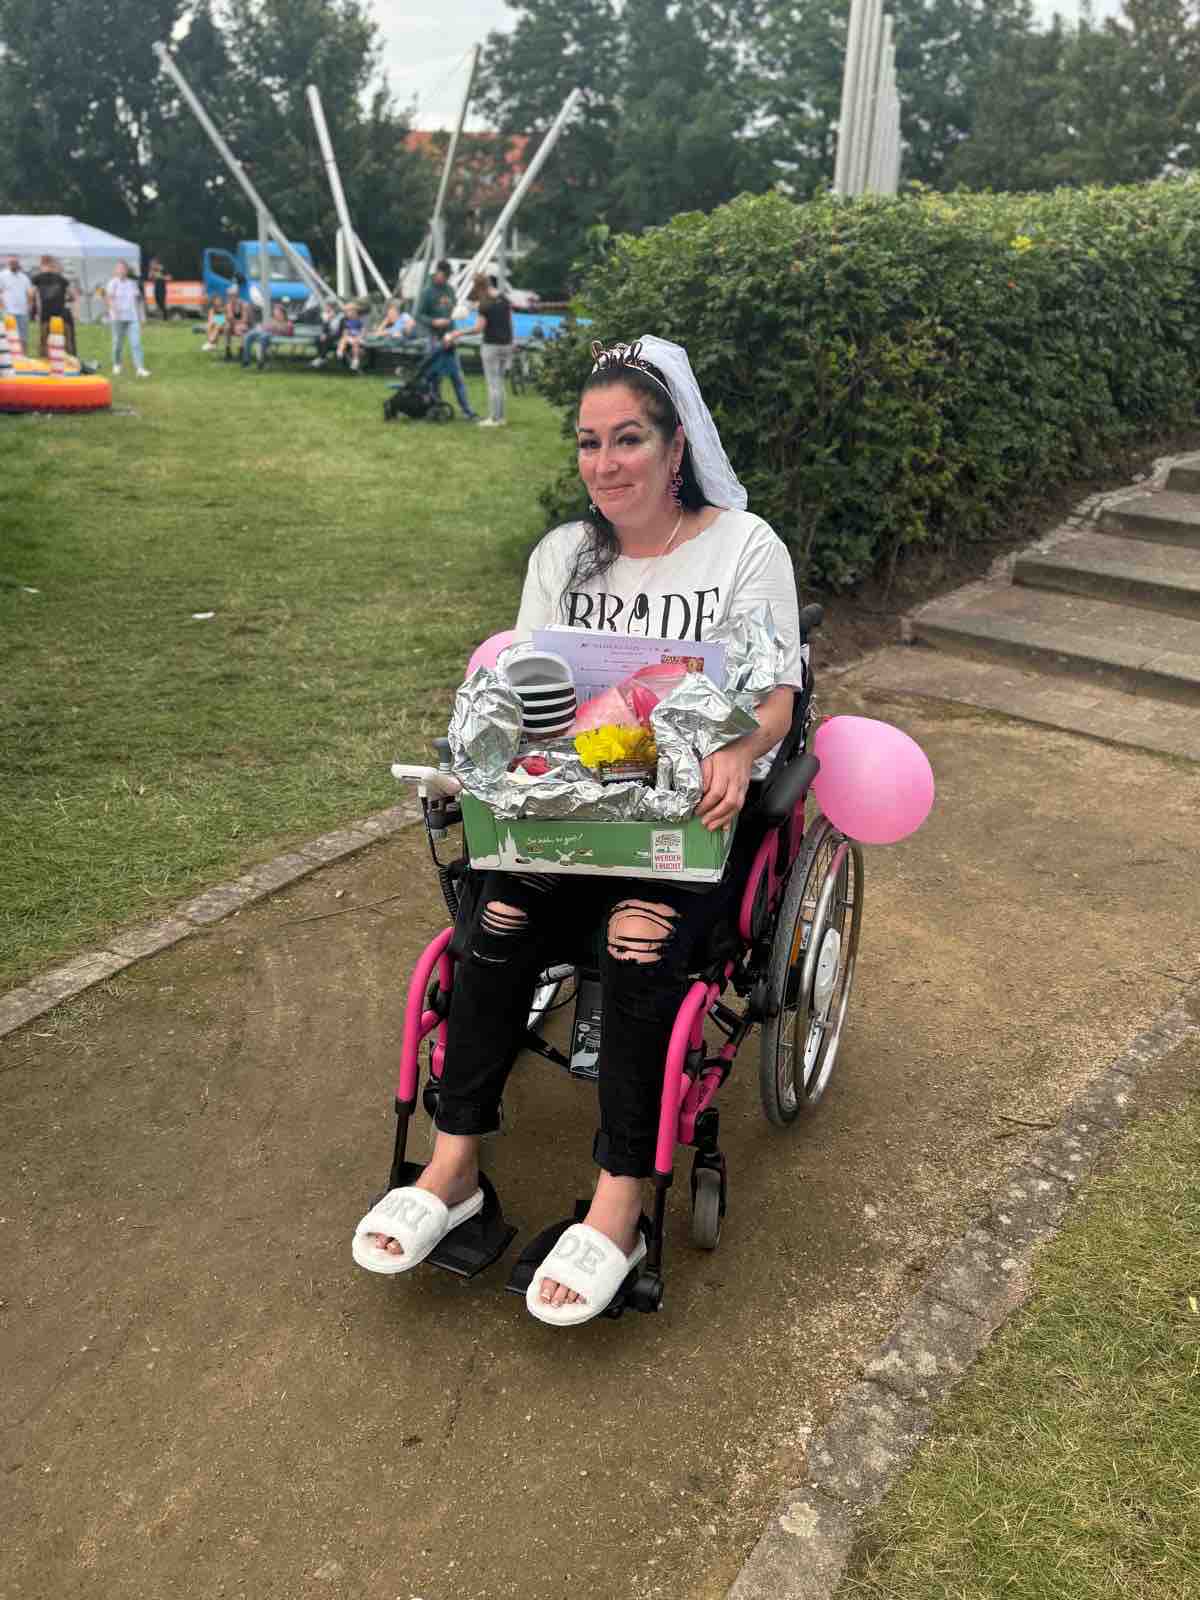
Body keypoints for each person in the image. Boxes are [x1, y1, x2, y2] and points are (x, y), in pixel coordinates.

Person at [353, 336, 806, 1326]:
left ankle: (620, 1202)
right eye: (590, 442)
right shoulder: (562, 555)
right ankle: (454, 1168)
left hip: (688, 820)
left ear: (675, 446)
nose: (606, 462)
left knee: (636, 939)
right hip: (575, 811)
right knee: (496, 918)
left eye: (628, 438)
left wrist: (740, 747)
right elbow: (526, 696)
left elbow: (777, 693)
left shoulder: (744, 547)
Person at [445, 273, 514, 428]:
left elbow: (478, 329)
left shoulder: (485, 304)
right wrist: (512, 341)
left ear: (478, 287)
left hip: (491, 346)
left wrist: (458, 333)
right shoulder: (504, 299)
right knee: (500, 382)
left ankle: (494, 419)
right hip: (506, 344)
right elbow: (510, 322)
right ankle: (501, 418)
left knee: (493, 383)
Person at [416, 259, 478, 420]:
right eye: (443, 276)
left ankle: (467, 411)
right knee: (435, 377)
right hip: (434, 338)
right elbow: (418, 315)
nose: (445, 279)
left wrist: (457, 313)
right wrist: (433, 321)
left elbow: (453, 310)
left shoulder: (450, 290)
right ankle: (437, 408)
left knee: (457, 376)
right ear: (437, 273)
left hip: (450, 338)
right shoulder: (427, 292)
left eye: (447, 276)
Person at [103, 260, 149, 378]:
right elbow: (108, 299)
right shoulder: (112, 283)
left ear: (127, 271)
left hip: (132, 318)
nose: (121, 271)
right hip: (117, 318)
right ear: (116, 270)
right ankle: (117, 364)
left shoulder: (132, 284)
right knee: (117, 343)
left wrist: (141, 317)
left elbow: (137, 301)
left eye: (123, 268)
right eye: (119, 268)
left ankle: (140, 368)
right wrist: (113, 310)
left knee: (136, 343)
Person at [31, 256, 79, 357]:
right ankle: (68, 358)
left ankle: (46, 359)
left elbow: (31, 294)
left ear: (42, 265)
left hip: (49, 315)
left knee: (45, 340)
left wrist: (34, 310)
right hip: (57, 314)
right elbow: (73, 296)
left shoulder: (39, 278)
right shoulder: (60, 279)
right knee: (61, 339)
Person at [241, 299, 292, 368]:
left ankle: (261, 361)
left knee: (263, 337)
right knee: (248, 335)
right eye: (275, 311)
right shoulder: (272, 320)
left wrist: (278, 328)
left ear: (282, 313)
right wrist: (264, 327)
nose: (275, 313)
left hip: (271, 335)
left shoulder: (287, 322)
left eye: (277, 311)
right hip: (262, 331)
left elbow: (288, 331)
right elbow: (264, 326)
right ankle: (246, 361)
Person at [0, 255, 34, 352]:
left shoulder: (24, 277)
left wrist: (29, 306)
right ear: (9, 264)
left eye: (15, 263)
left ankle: (23, 355)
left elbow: (30, 293)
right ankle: (9, 355)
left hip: (23, 311)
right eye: (12, 263)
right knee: (9, 335)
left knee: (23, 336)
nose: (14, 265)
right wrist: (2, 306)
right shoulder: (2, 275)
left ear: (18, 264)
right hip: (8, 311)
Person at [310, 302, 345, 368]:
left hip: (339, 335)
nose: (326, 309)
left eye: (328, 308)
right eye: (326, 307)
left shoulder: (341, 317)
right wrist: (328, 320)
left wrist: (327, 335)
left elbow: (341, 330)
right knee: (317, 339)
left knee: (326, 340)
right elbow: (325, 329)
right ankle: (322, 358)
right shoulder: (326, 316)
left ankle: (321, 358)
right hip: (329, 334)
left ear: (334, 309)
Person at [221, 287, 252, 359]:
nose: (230, 298)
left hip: (247, 325)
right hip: (235, 325)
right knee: (227, 327)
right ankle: (228, 351)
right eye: (229, 296)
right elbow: (227, 318)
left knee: (240, 328)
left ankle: (241, 351)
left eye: (231, 296)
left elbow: (245, 320)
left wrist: (233, 321)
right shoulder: (229, 305)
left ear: (237, 295)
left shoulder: (244, 304)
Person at [337, 301, 366, 371]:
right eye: (346, 312)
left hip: (358, 338)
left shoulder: (360, 321)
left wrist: (358, 337)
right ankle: (340, 352)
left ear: (355, 312)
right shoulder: (346, 321)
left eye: (348, 312)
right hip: (350, 337)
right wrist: (346, 336)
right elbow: (345, 332)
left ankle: (355, 360)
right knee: (343, 340)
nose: (347, 313)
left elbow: (363, 331)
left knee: (355, 344)